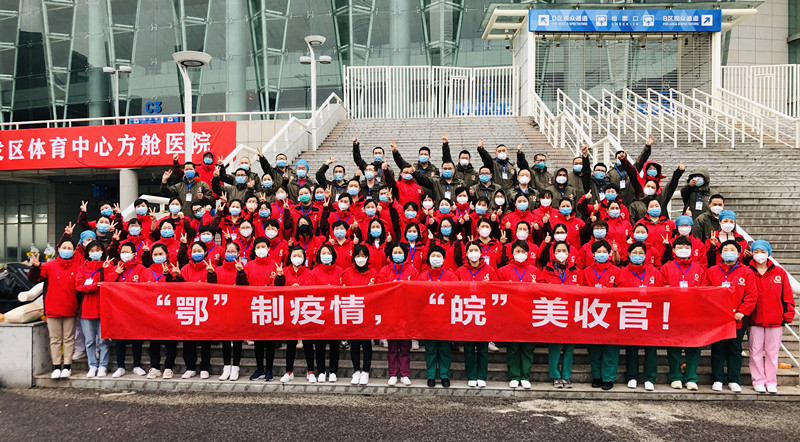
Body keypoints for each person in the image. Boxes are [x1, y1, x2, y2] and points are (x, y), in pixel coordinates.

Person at [703, 240, 758, 393]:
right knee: (718, 348)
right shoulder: (712, 271)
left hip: (737, 318)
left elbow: (751, 295)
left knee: (734, 348)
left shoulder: (746, 272)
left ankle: (734, 380)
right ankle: (718, 379)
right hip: (718, 318)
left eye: (732, 250)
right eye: (725, 250)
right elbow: (705, 291)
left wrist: (742, 311)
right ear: (720, 254)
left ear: (739, 253)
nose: (728, 252)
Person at [28, 239, 81, 379]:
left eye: (69, 248)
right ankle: (56, 366)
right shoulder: (48, 266)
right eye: (64, 247)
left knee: (69, 339)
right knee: (55, 339)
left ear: (74, 251)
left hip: (70, 308)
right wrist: (35, 267)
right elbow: (34, 279)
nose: (66, 250)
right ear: (58, 249)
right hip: (52, 308)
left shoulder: (78, 267)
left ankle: (67, 366)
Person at [748, 240, 795, 394]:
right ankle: (758, 380)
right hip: (754, 319)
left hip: (775, 319)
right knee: (755, 351)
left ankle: (771, 381)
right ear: (751, 253)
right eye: (756, 252)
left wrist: (788, 314)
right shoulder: (748, 271)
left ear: (768, 253)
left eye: (762, 251)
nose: (759, 255)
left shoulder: (779, 272)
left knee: (772, 352)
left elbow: (787, 295)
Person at [660, 236, 705, 390]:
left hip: (694, 313)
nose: (683, 249)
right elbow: (660, 287)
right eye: (680, 247)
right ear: (673, 250)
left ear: (692, 250)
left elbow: (705, 288)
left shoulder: (698, 268)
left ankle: (691, 377)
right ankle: (675, 376)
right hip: (673, 312)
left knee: (694, 346)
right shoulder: (667, 267)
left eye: (686, 246)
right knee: (674, 346)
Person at [618, 242, 664, 391]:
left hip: (650, 314)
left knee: (651, 348)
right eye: (634, 253)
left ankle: (649, 378)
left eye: (641, 253)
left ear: (645, 255)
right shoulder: (622, 272)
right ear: (629, 255)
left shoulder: (654, 272)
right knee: (631, 348)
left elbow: (661, 292)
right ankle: (632, 376)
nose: (637, 256)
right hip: (631, 313)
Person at [538, 240, 581, 388]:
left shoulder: (576, 271)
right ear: (553, 253)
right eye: (558, 251)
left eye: (564, 251)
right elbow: (540, 290)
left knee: (569, 347)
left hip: (571, 312)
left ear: (569, 253)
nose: (561, 253)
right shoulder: (546, 271)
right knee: (555, 346)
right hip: (554, 312)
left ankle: (566, 376)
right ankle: (556, 376)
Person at [415, 245, 458, 388]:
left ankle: (445, 375)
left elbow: (457, 292)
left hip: (445, 317)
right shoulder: (422, 276)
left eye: (438, 256)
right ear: (428, 258)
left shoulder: (450, 275)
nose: (436, 258)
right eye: (433, 256)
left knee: (445, 349)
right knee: (431, 349)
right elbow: (417, 295)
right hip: (429, 318)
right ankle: (431, 375)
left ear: (444, 259)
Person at [581, 240, 621, 390]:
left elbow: (623, 291)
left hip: (611, 314)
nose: (601, 254)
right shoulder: (586, 271)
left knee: (611, 348)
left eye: (604, 251)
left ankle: (608, 377)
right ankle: (597, 376)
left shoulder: (616, 271)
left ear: (609, 254)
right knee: (594, 348)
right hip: (592, 313)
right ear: (593, 255)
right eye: (598, 252)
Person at [456, 241, 497, 388]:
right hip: (467, 311)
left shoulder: (490, 270)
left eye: (476, 250)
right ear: (467, 254)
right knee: (468, 347)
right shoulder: (460, 271)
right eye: (471, 250)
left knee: (482, 348)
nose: (473, 253)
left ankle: (482, 375)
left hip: (483, 311)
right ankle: (472, 375)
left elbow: (495, 289)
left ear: (481, 253)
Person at [497, 241, 538, 389]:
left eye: (523, 251)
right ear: (512, 253)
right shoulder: (503, 271)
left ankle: (525, 375)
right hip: (511, 315)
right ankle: (514, 375)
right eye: (517, 251)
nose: (520, 254)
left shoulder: (535, 271)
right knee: (513, 347)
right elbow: (497, 291)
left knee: (528, 347)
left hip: (529, 314)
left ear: (528, 254)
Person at [207, 242, 249, 381]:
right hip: (223, 308)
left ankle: (235, 367)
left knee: (237, 340)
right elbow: (212, 287)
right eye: (228, 251)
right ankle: (226, 367)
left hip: (238, 308)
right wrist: (211, 274)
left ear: (238, 253)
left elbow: (245, 287)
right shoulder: (218, 269)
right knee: (225, 340)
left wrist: (241, 272)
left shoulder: (243, 268)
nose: (230, 254)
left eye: (233, 251)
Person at [378, 243, 418, 386]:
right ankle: (393, 373)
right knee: (392, 346)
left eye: (400, 252)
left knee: (405, 345)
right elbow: (380, 288)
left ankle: (405, 373)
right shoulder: (384, 270)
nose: (397, 255)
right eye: (395, 252)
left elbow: (417, 289)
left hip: (406, 312)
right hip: (391, 312)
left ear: (405, 254)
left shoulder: (412, 270)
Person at [273, 246, 314, 383]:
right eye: (294, 255)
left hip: (305, 311)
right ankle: (288, 371)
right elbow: (276, 290)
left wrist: (300, 290)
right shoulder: (283, 271)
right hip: (289, 311)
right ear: (290, 257)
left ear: (304, 258)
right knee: (290, 342)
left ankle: (311, 371)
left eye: (299, 255)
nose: (297, 258)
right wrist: (280, 277)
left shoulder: (309, 273)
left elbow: (313, 290)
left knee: (307, 342)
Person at [110, 242, 149, 378]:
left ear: (134, 254)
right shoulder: (116, 268)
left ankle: (137, 365)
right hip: (118, 309)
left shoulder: (140, 269)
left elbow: (144, 288)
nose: (124, 254)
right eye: (122, 252)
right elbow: (107, 285)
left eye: (127, 252)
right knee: (119, 339)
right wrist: (115, 274)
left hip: (135, 309)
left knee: (136, 338)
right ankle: (120, 366)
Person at [341, 245, 379, 385]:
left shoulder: (373, 273)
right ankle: (356, 370)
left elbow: (379, 291)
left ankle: (366, 371)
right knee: (355, 343)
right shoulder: (347, 273)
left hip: (368, 312)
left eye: (363, 256)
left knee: (366, 343)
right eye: (357, 256)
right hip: (353, 311)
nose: (360, 258)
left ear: (367, 257)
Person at [74, 241, 113, 378]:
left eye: (98, 250)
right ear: (88, 253)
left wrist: (105, 270)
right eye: (92, 250)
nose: (95, 253)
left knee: (103, 340)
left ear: (102, 251)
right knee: (89, 340)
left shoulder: (107, 266)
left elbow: (109, 282)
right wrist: (95, 286)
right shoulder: (82, 268)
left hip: (103, 307)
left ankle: (103, 365)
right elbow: (79, 286)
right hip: (87, 308)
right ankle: (92, 365)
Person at [305, 244, 343, 383]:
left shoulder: (340, 271)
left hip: (335, 312)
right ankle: (321, 371)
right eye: (323, 253)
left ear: (333, 255)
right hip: (319, 312)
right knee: (320, 344)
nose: (326, 255)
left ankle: (333, 371)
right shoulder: (313, 272)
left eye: (328, 253)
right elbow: (310, 291)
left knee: (334, 344)